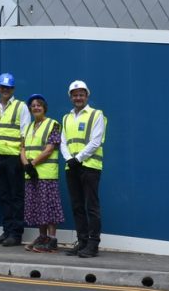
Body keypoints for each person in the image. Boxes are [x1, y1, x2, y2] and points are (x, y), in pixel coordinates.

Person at [60, 80, 107, 258]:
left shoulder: (96, 115)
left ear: (87, 96)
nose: (78, 97)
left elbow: (96, 141)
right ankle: (82, 242)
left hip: (90, 167)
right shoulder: (66, 117)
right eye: (75, 94)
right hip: (71, 166)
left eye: (81, 94)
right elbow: (63, 142)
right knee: (77, 206)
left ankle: (93, 245)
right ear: (70, 97)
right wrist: (69, 159)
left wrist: (78, 159)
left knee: (92, 207)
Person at [0, 72, 31, 247]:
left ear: (13, 89)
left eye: (8, 87)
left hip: (14, 158)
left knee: (16, 196)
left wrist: (22, 157)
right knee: (3, 196)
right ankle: (7, 231)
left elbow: (24, 134)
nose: (5, 90)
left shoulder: (21, 107)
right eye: (2, 87)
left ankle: (16, 234)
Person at [20, 94, 64, 252]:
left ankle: (52, 240)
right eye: (33, 105)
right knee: (38, 207)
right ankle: (42, 237)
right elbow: (22, 148)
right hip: (32, 174)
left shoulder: (53, 124)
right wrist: (26, 165)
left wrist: (32, 163)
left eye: (39, 105)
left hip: (46, 174)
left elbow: (50, 148)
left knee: (49, 207)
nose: (36, 107)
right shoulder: (28, 127)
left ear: (44, 108)